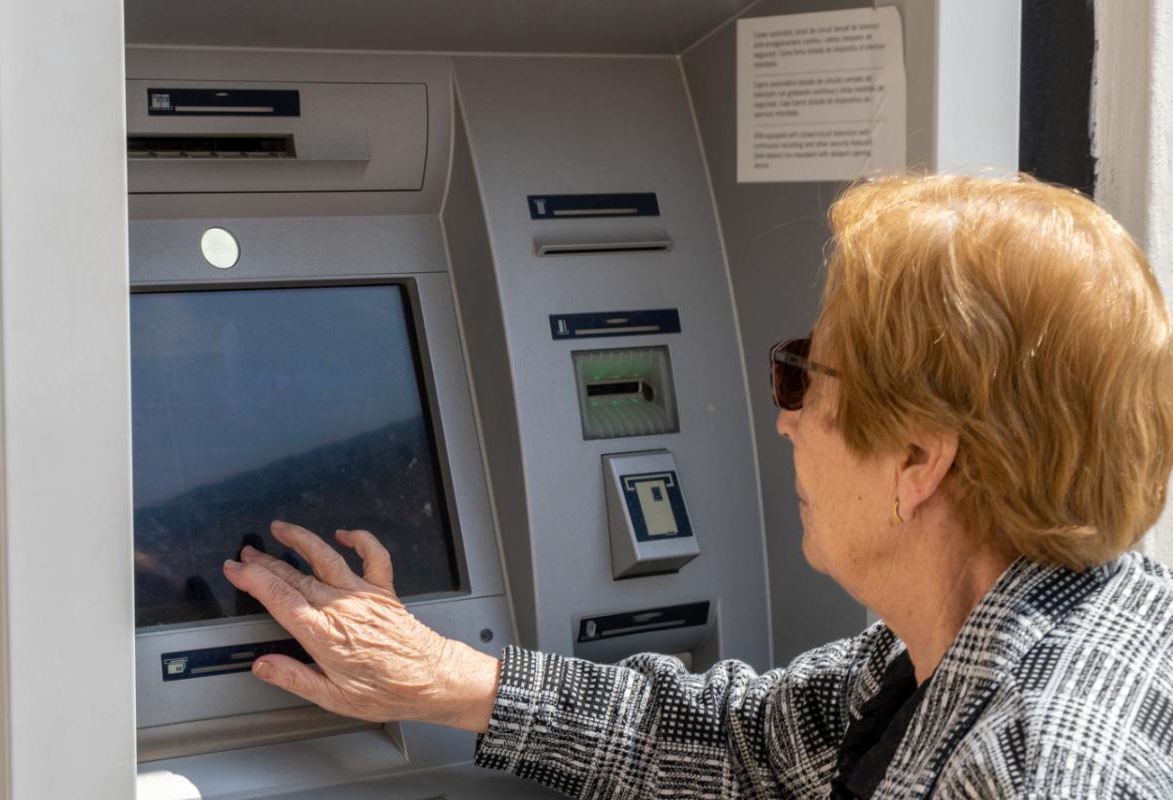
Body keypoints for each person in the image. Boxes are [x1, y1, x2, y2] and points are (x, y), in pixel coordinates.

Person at [222, 174, 1173, 798]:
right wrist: (447, 678)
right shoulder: (975, 641)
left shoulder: (1038, 771)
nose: (784, 420)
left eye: (803, 377)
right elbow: (743, 744)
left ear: (919, 461)